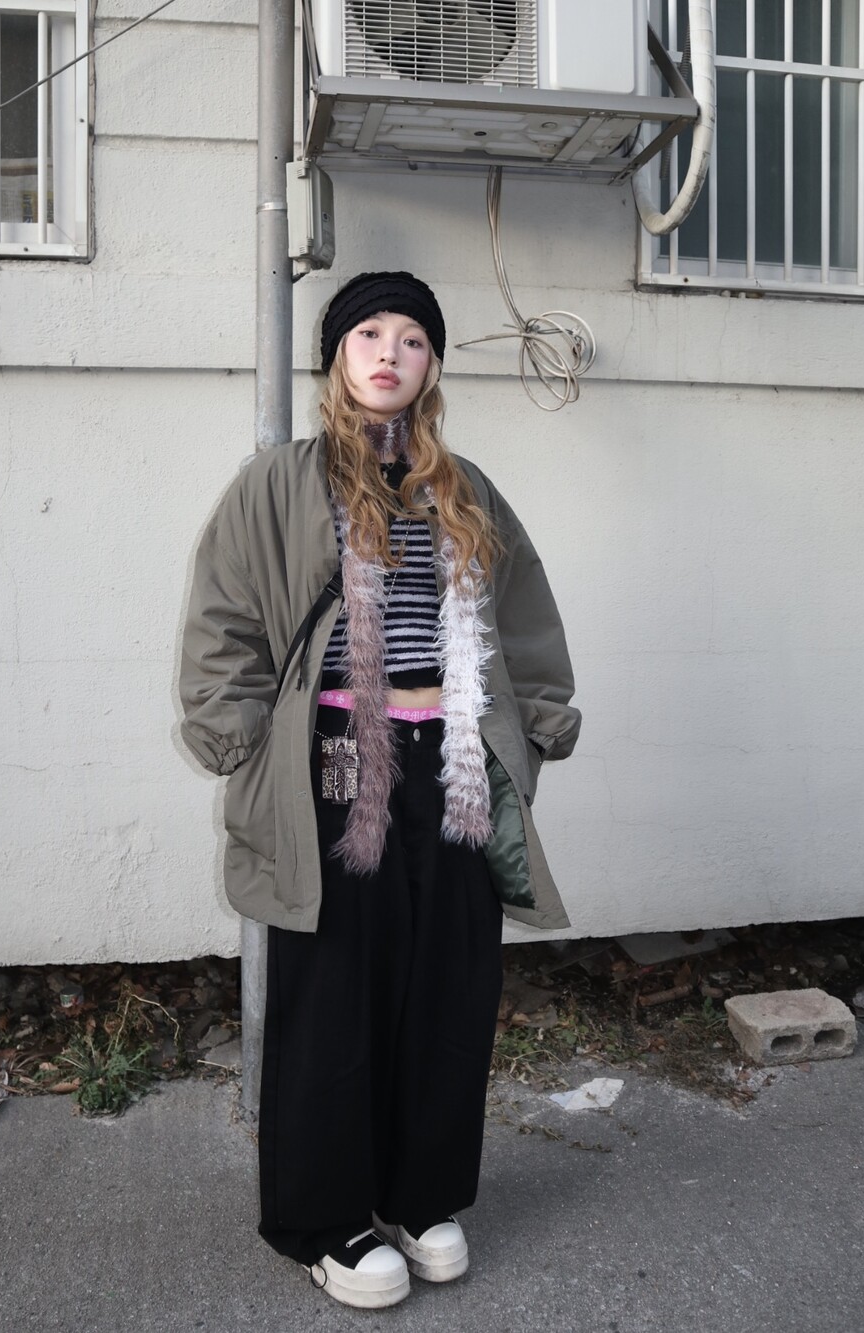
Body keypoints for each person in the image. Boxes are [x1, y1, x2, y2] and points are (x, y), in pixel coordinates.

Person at [179, 271, 581, 1309]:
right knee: (333, 998)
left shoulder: (466, 489)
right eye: (369, 333)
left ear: (432, 364)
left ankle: (418, 1194)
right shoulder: (279, 484)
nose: (389, 352)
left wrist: (538, 726)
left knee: (449, 987)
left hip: (451, 769)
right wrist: (234, 738)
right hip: (334, 768)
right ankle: (326, 1221)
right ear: (337, 356)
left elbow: (524, 616)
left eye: (411, 337)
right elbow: (225, 619)